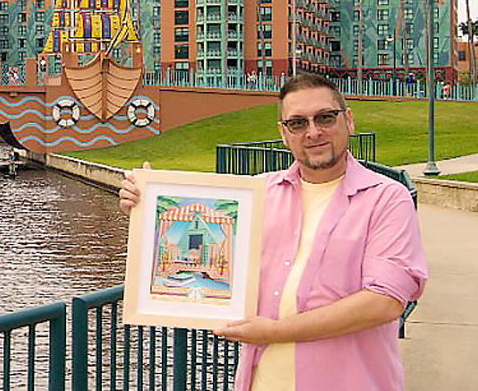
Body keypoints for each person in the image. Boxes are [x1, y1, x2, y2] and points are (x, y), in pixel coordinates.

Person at [118, 73, 426, 391]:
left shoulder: (387, 198)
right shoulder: (259, 193)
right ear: (283, 133)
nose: (313, 132)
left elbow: (384, 302)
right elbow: (208, 253)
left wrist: (272, 332)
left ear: (349, 120)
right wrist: (148, 207)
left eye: (325, 117)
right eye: (298, 123)